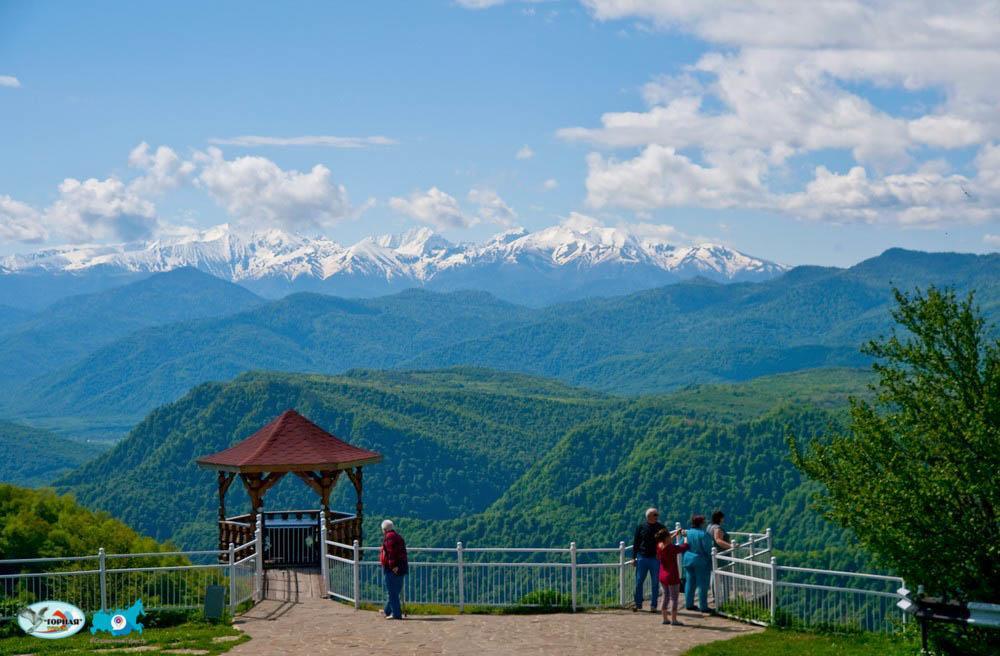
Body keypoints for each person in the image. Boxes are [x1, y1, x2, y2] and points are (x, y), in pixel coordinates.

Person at [632, 507, 666, 612]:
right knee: (639, 581)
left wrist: (661, 554)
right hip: (642, 557)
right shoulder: (640, 527)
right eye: (655, 515)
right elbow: (636, 543)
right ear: (649, 516)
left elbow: (666, 541)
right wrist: (633, 558)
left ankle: (653, 605)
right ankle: (638, 603)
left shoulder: (661, 527)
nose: (657, 516)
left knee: (655, 582)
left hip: (655, 558)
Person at [682, 514, 715, 614]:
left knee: (690, 583)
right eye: (704, 522)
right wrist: (711, 560)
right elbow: (708, 549)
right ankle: (703, 606)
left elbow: (681, 544)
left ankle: (689, 604)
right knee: (702, 584)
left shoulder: (688, 533)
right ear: (701, 523)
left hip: (688, 560)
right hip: (700, 561)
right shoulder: (703, 534)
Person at [655, 527, 688, 625]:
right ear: (666, 538)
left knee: (665, 596)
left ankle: (665, 618)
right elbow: (684, 547)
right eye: (669, 536)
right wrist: (685, 537)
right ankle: (674, 620)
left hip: (662, 575)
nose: (671, 537)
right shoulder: (671, 548)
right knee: (674, 598)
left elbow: (667, 541)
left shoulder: (659, 545)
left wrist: (675, 534)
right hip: (672, 575)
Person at [379, 519, 408, 620]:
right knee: (394, 591)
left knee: (392, 592)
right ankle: (387, 611)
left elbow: (391, 553)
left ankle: (396, 614)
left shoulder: (389, 537)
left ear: (385, 529)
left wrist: (393, 566)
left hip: (393, 568)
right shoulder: (398, 536)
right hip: (402, 566)